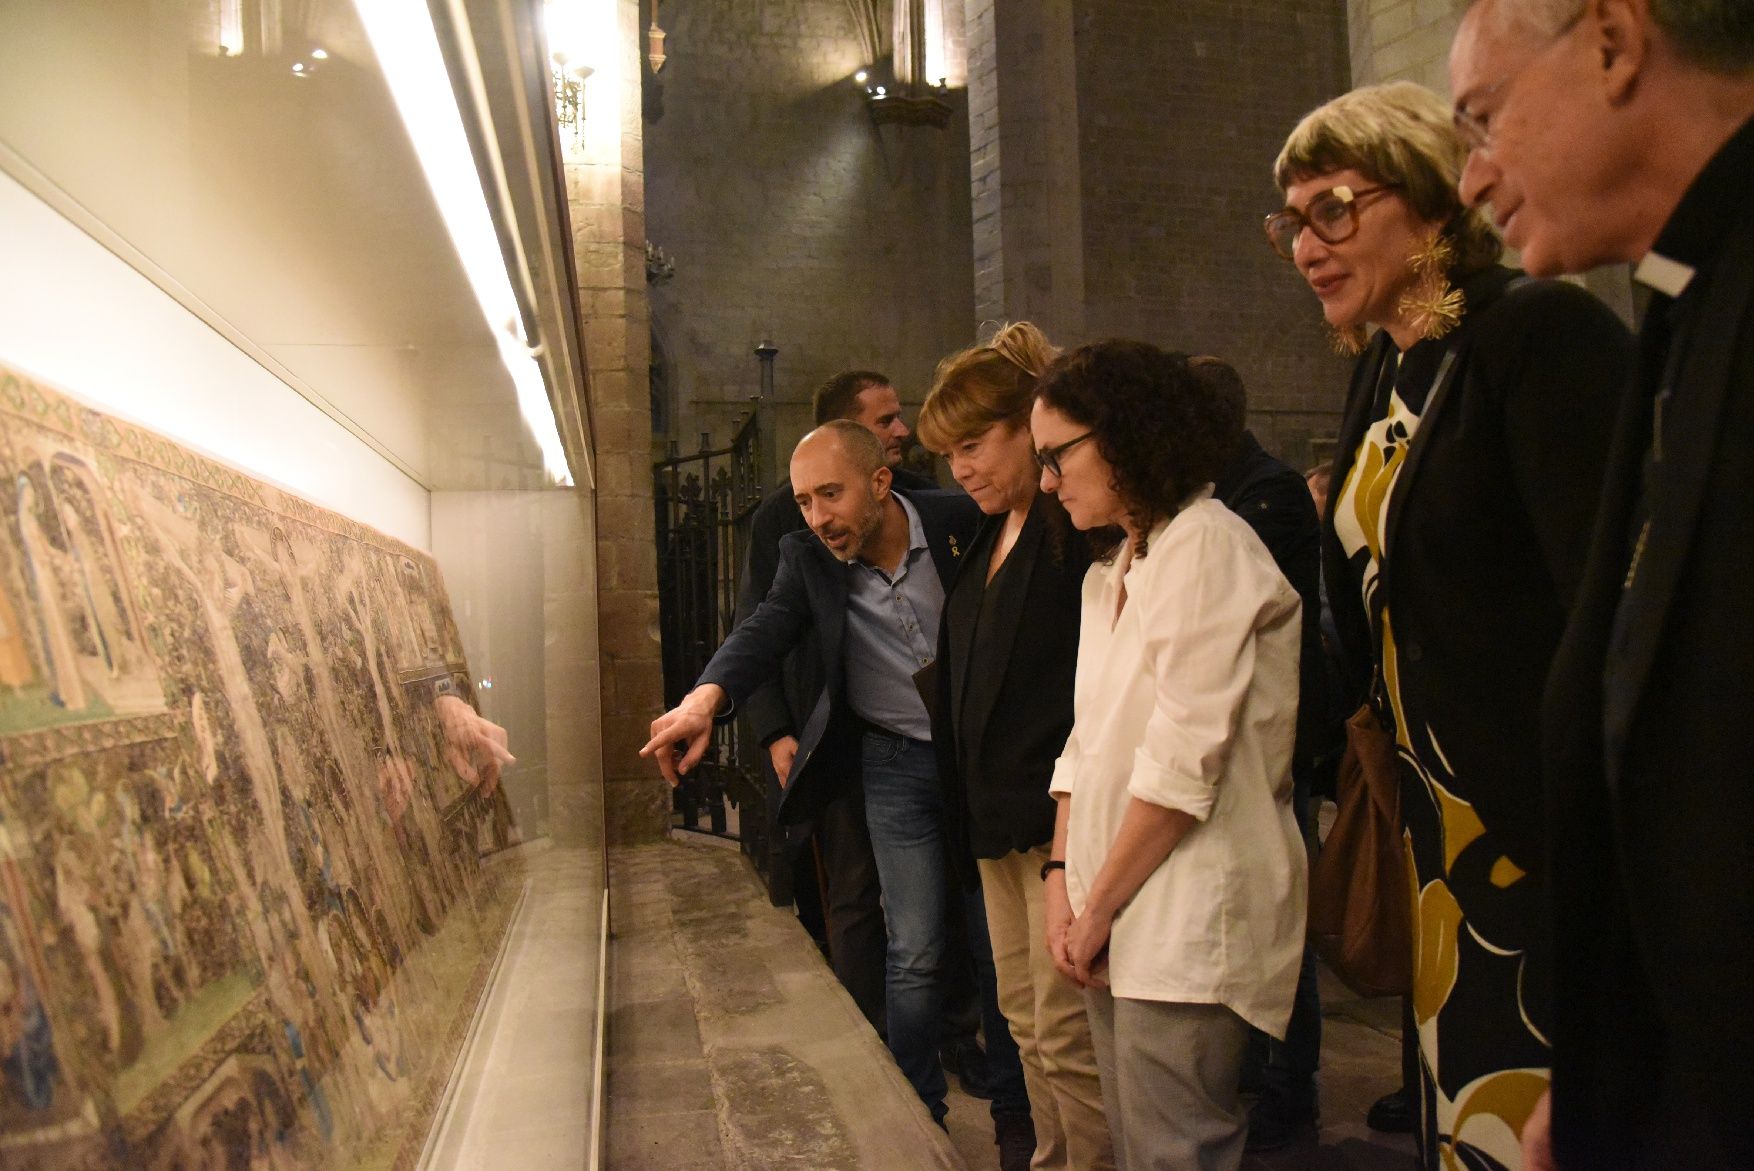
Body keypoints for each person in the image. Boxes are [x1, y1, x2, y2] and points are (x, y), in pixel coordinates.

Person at [1268, 81, 1634, 1169]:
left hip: (1534, 838)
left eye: (1332, 208)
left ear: (1430, 201)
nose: (1303, 246)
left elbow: (1611, 617)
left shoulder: (1536, 333)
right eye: (1290, 221)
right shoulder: (1387, 364)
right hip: (1436, 835)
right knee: (1456, 1114)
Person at [1447, 4, 1754, 1168]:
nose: (1474, 176)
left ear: (1615, 43)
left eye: (1483, 118)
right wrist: (1604, 1058)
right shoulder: (1685, 293)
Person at [642, 421, 980, 1125]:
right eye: (803, 501)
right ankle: (921, 1104)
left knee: (996, 941)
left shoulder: (960, 520)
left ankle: (1013, 1108)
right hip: (892, 761)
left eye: (831, 493)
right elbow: (762, 628)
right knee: (913, 946)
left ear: (880, 482)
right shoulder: (808, 556)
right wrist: (705, 699)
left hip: (980, 761)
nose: (817, 516)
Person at [1032, 340, 1307, 1171]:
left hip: (1190, 907)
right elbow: (1088, 745)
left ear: (1126, 434)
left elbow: (1185, 761)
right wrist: (1060, 882)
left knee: (1176, 1153)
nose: (1048, 480)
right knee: (1141, 1146)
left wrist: (1099, 902)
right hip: (1117, 903)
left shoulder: (1208, 544)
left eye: (1058, 454)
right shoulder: (1116, 566)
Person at [916, 322, 1114, 1171]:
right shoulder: (989, 534)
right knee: (1026, 1021)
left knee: (1066, 1031)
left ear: (1029, 429)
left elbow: (1089, 693)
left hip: (1053, 824)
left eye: (974, 444)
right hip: (994, 821)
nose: (960, 469)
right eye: (947, 454)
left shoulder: (1067, 533)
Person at [734, 370, 931, 1034]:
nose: (901, 430)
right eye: (885, 420)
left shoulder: (930, 507)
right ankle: (867, 1029)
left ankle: (941, 1031)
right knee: (850, 889)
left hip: (912, 733)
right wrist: (774, 730)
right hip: (830, 726)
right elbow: (756, 627)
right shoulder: (779, 523)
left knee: (930, 902)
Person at [1193, 356, 1336, 1152]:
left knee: (1286, 910)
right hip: (1244, 741)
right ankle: (1261, 1063)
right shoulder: (1230, 490)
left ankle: (1294, 1083)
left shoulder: (1269, 493)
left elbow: (1232, 611)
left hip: (1280, 743)